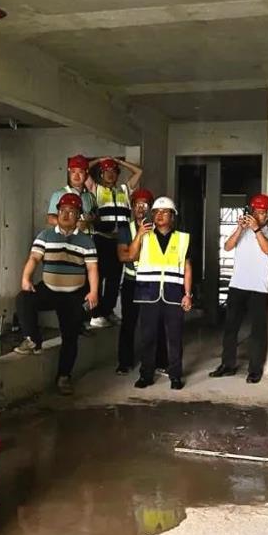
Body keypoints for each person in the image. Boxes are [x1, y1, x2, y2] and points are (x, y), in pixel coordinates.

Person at [14, 193, 99, 396]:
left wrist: (94, 292)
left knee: (70, 337)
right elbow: (34, 258)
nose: (66, 215)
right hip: (49, 289)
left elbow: (92, 268)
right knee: (24, 298)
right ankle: (33, 339)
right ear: (57, 213)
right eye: (62, 211)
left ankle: (64, 377)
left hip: (73, 295)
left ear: (78, 215)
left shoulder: (86, 241)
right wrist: (26, 278)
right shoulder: (45, 236)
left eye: (71, 211)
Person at [209, 193, 268, 383]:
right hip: (237, 285)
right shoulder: (243, 231)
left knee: (258, 331)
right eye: (256, 212)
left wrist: (256, 229)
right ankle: (227, 365)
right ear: (251, 211)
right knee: (230, 328)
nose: (260, 216)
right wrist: (240, 228)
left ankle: (255, 370)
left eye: (264, 213)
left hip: (259, 289)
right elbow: (227, 247)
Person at [124, 196, 193, 390]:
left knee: (174, 338)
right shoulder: (145, 236)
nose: (160, 215)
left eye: (165, 212)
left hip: (174, 294)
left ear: (173, 216)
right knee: (147, 337)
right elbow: (131, 255)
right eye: (156, 212)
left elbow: (187, 268)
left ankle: (175, 376)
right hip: (148, 294)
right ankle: (146, 375)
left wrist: (188, 294)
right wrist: (139, 234)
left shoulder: (182, 239)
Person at [88, 155, 143, 328]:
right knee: (98, 277)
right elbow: (83, 169)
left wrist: (119, 162)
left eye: (113, 171)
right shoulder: (96, 189)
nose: (110, 174)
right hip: (101, 239)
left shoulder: (124, 191)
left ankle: (107, 311)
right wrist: (100, 160)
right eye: (106, 171)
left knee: (114, 279)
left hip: (119, 241)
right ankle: (95, 314)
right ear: (101, 174)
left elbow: (138, 172)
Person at [116, 188, 166, 376]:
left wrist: (135, 251)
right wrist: (139, 235)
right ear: (132, 207)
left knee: (157, 323)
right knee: (129, 323)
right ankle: (124, 362)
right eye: (137, 204)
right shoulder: (125, 230)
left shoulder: (159, 229)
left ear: (150, 208)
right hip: (132, 282)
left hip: (152, 282)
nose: (140, 208)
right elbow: (124, 257)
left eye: (144, 204)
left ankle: (160, 362)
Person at [46, 154, 96, 231]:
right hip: (69, 237)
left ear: (86, 174)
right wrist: (73, 225)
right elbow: (50, 219)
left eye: (80, 172)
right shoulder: (58, 194)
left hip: (88, 237)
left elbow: (96, 216)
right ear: (69, 172)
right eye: (73, 172)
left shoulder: (89, 196)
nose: (76, 176)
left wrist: (90, 218)